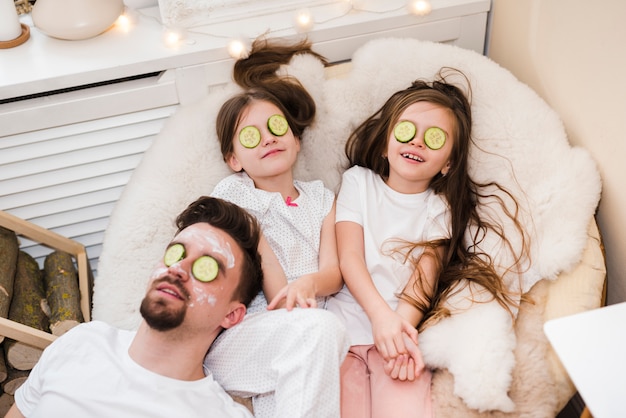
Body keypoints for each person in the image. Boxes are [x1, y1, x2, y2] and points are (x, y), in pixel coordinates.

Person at [325, 69, 529, 417]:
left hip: (400, 334)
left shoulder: (440, 209)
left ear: (448, 163)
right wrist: (380, 319)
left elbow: (424, 278)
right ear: (387, 142)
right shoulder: (358, 182)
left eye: (434, 138)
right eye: (407, 131)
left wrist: (399, 335)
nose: (417, 142)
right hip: (341, 333)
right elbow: (349, 259)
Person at [7, 196, 264, 418]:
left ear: (232, 315)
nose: (178, 269)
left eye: (207, 268)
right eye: (176, 253)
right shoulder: (80, 343)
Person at [203, 38, 349, 418]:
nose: (267, 137)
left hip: (303, 329)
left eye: (276, 127)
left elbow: (333, 273)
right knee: (318, 332)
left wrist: (309, 285)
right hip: (244, 335)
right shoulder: (233, 195)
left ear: (296, 140)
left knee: (296, 388)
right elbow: (266, 279)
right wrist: (289, 295)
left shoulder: (322, 199)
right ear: (234, 159)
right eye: (251, 136)